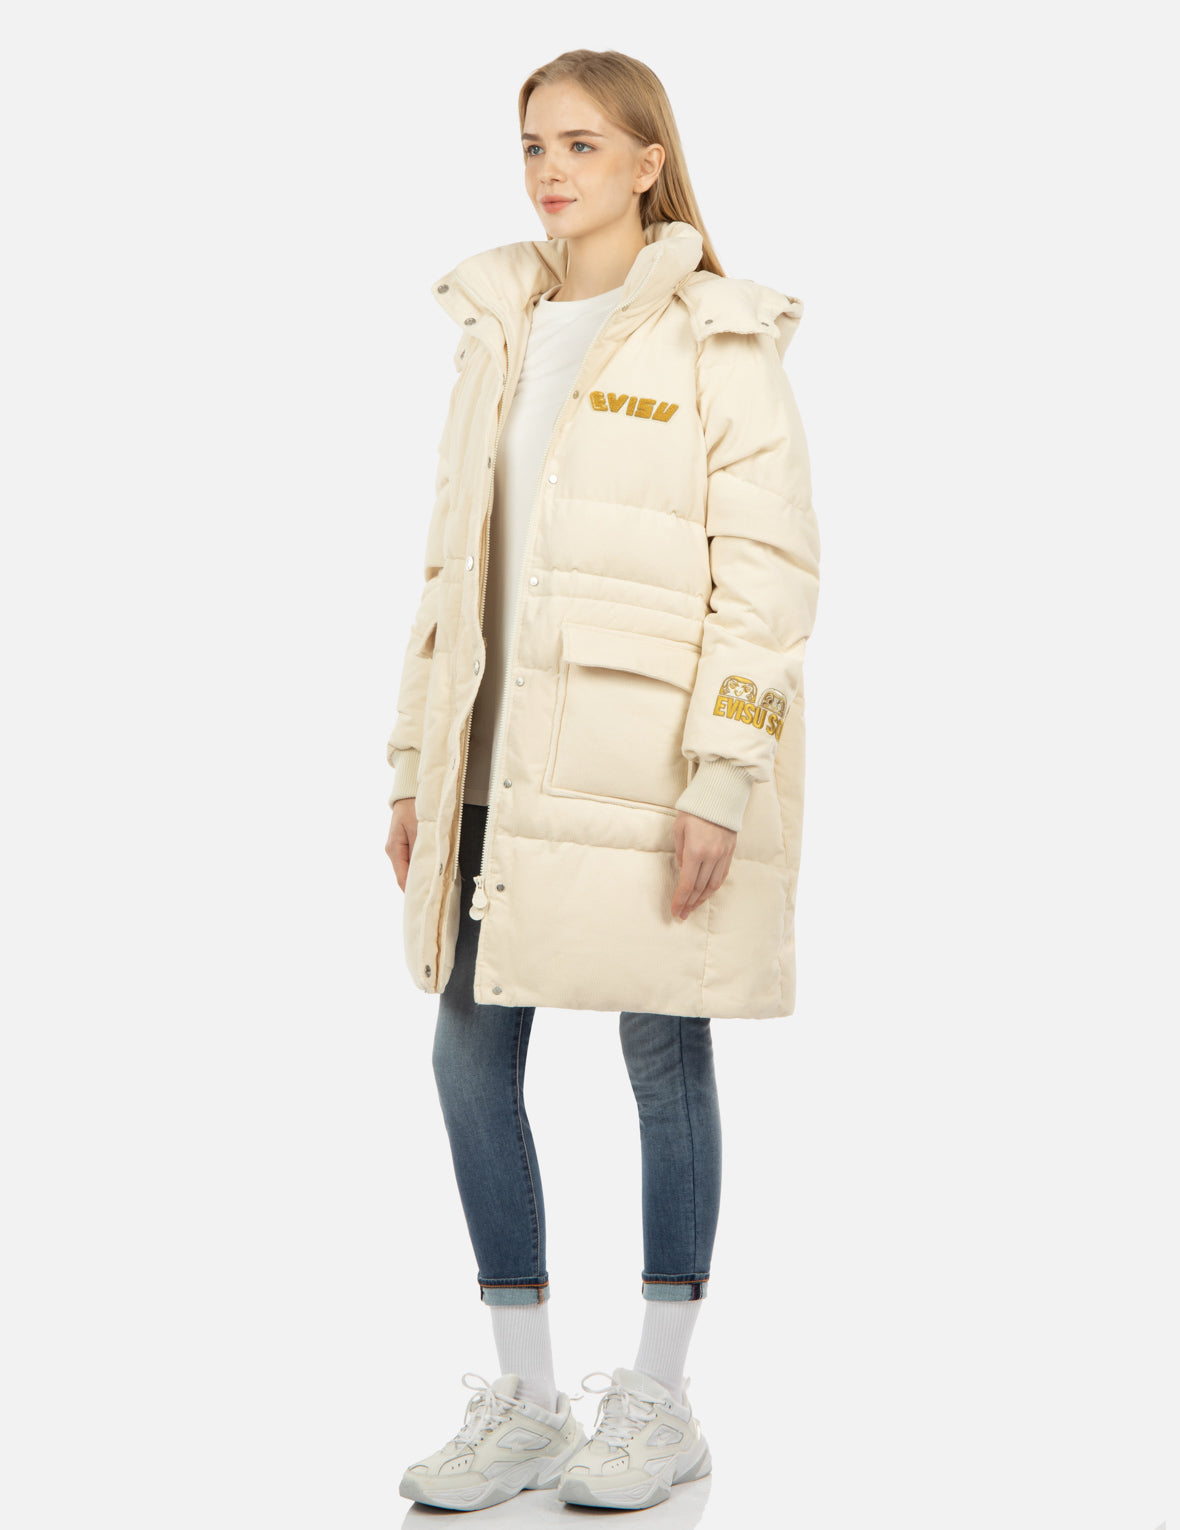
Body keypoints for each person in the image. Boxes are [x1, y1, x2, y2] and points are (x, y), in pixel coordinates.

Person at [384, 48, 821, 1513]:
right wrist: (414, 764)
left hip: (649, 770)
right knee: (467, 1055)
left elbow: (767, 580)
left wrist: (725, 772)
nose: (548, 171)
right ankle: (522, 1396)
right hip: (492, 761)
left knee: (661, 1058)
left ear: (648, 162)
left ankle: (662, 1399)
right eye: (531, 145)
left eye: (580, 144)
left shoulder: (720, 340)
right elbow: (450, 578)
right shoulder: (497, 328)